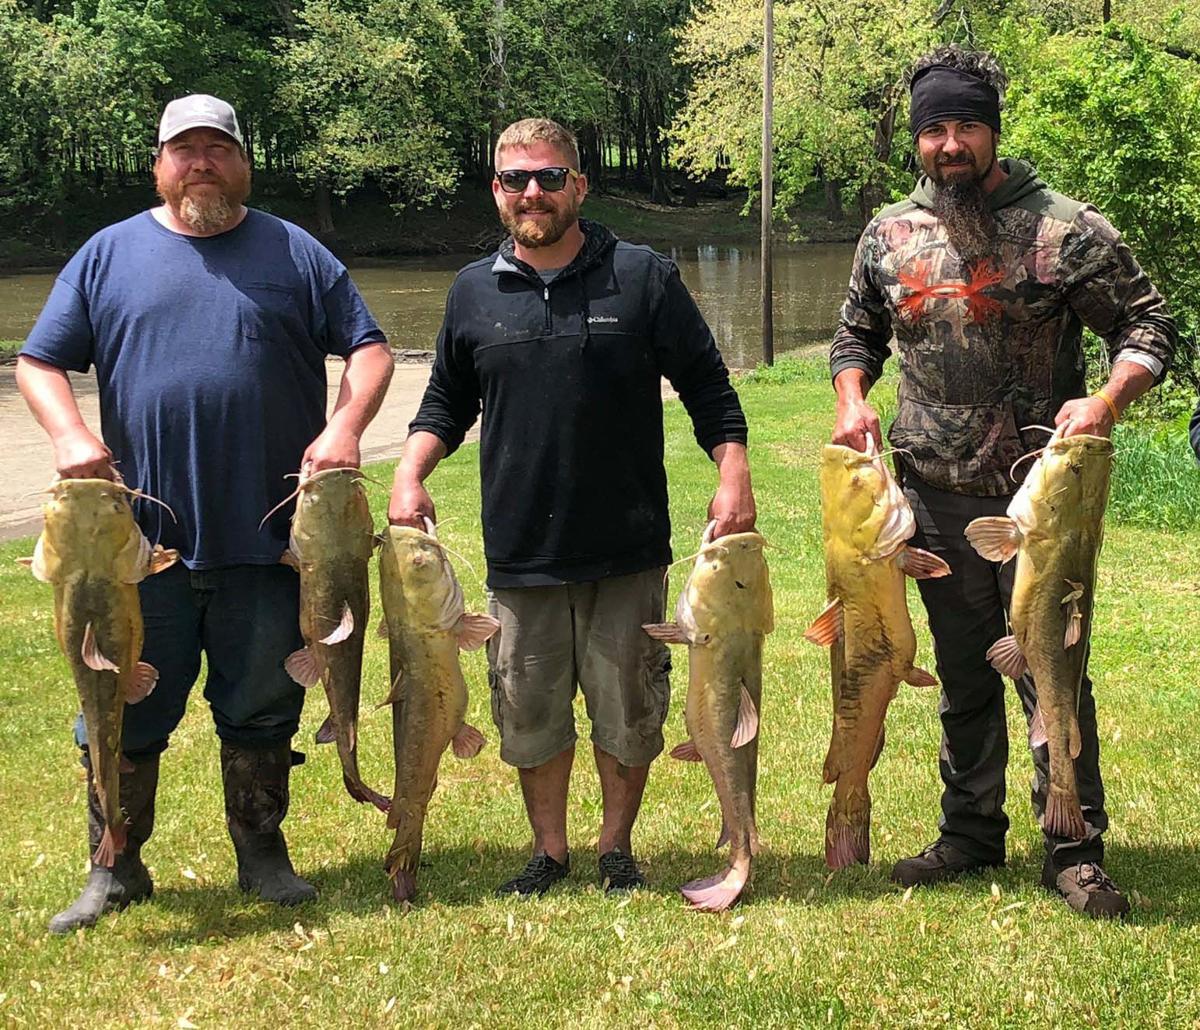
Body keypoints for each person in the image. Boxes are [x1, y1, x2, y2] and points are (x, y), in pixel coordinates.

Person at [17, 94, 394, 932]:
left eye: (216, 149)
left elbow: (368, 349)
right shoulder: (108, 256)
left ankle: (262, 855)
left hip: (268, 542)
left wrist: (343, 427)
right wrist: (72, 432)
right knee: (119, 704)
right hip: (134, 550)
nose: (200, 164)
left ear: (242, 161)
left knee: (261, 702)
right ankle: (114, 865)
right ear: (157, 163)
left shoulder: (295, 252)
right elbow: (39, 362)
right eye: (183, 150)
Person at [829, 46, 1176, 918]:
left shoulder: (1063, 228)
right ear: (917, 140)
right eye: (935, 129)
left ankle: (1074, 844)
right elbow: (853, 337)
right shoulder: (888, 233)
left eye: (966, 126)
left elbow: (1151, 326)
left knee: (1052, 670)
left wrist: (1106, 397)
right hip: (930, 496)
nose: (951, 144)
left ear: (993, 132)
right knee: (963, 674)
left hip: (1041, 503)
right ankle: (970, 832)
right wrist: (851, 400)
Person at [388, 118, 754, 896]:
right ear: (495, 190)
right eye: (516, 179)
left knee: (629, 711)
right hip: (521, 552)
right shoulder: (472, 292)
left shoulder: (643, 276)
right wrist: (412, 471)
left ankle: (615, 845)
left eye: (550, 177)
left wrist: (734, 474)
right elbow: (445, 402)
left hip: (626, 545)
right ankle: (549, 851)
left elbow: (709, 390)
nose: (532, 192)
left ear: (578, 186)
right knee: (528, 713)